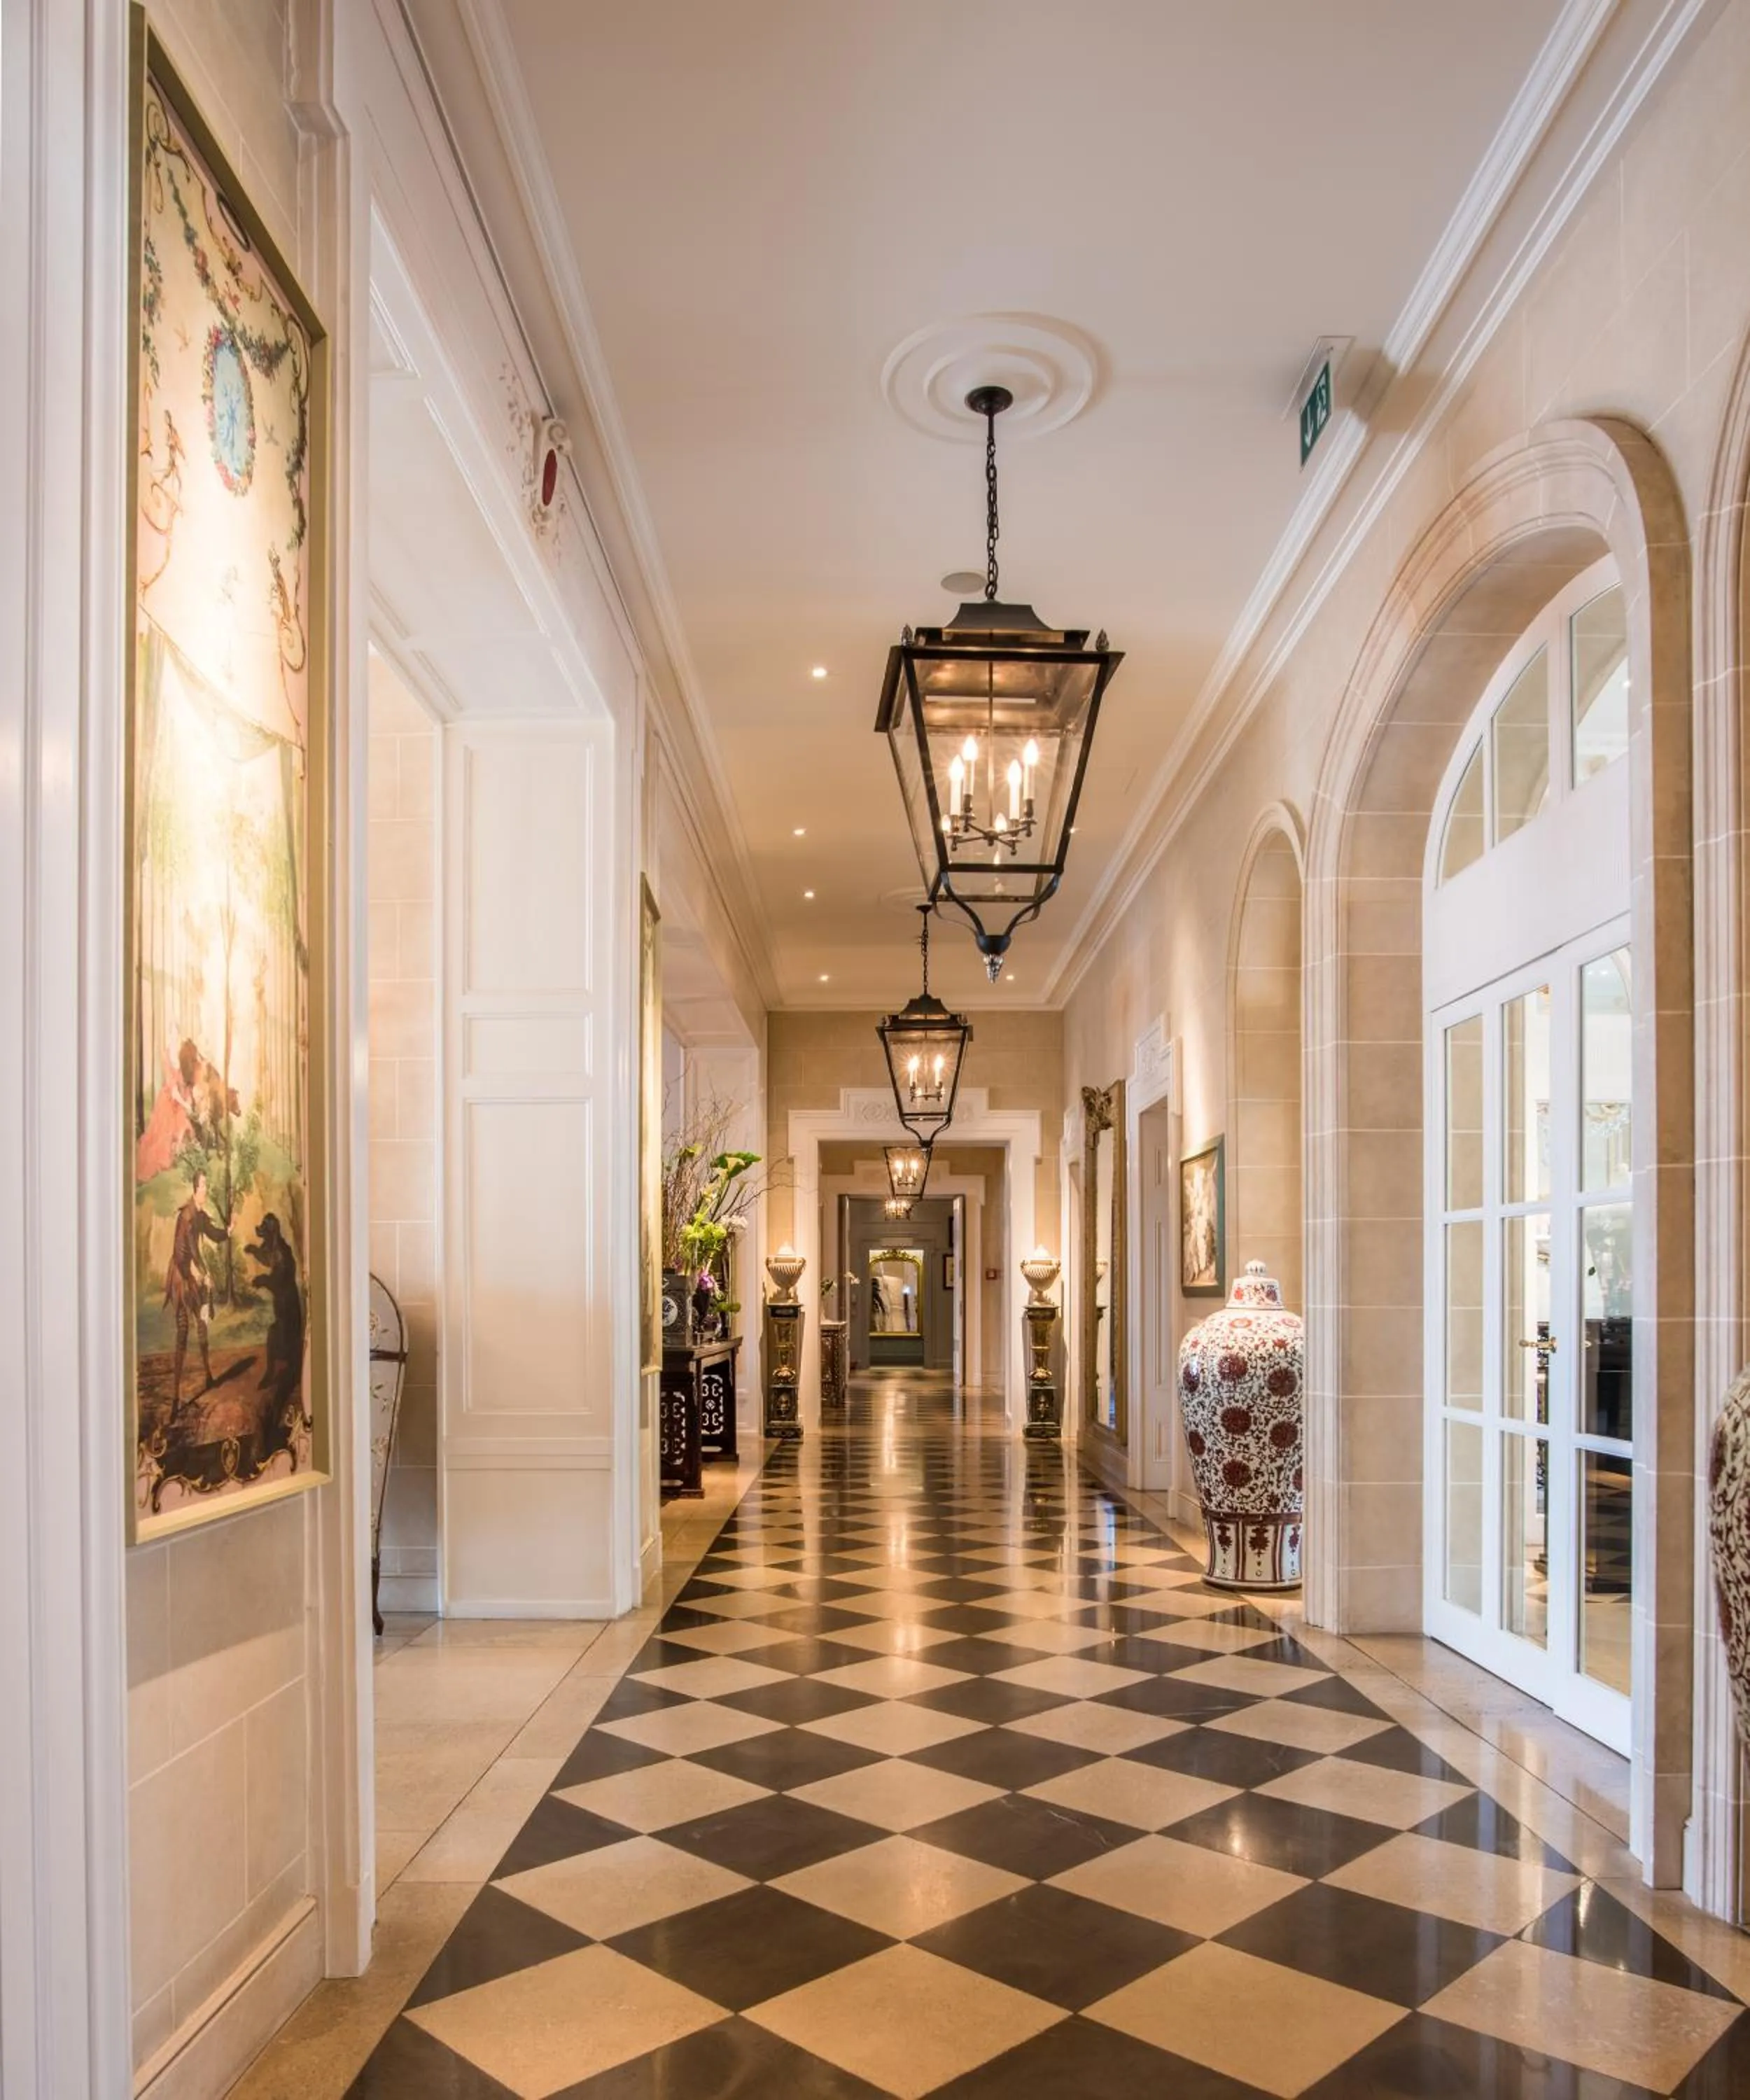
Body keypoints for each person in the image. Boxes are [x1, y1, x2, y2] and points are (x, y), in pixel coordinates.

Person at [165, 1168, 226, 1407]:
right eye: (203, 1186)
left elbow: (212, 1232)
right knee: (183, 1332)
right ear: (195, 1189)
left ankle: (208, 1375)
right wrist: (199, 1273)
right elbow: (182, 1253)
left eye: (206, 1185)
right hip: (182, 1278)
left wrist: (227, 1232)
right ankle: (175, 1397)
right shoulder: (187, 1216)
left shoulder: (200, 1215)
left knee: (202, 1325)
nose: (206, 1189)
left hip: (195, 1275)